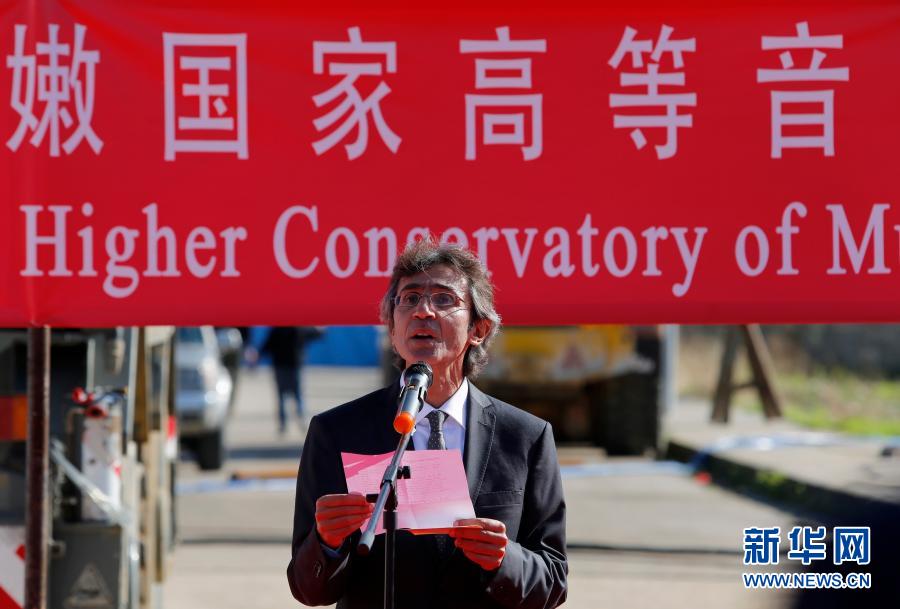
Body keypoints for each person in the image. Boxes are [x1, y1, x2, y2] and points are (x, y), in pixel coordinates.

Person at [287, 240, 567, 609]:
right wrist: (327, 544)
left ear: (479, 329)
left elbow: (553, 581)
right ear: (392, 329)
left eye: (444, 299)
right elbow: (308, 588)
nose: (423, 311)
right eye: (410, 298)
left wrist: (504, 559)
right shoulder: (337, 432)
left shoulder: (526, 437)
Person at [258, 326, 321, 434]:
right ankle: (301, 420)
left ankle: (283, 425)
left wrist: (258, 354)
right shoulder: (299, 328)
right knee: (298, 396)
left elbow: (267, 346)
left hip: (281, 366)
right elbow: (315, 334)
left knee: (282, 397)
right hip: (294, 366)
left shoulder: (277, 329)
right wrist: (320, 331)